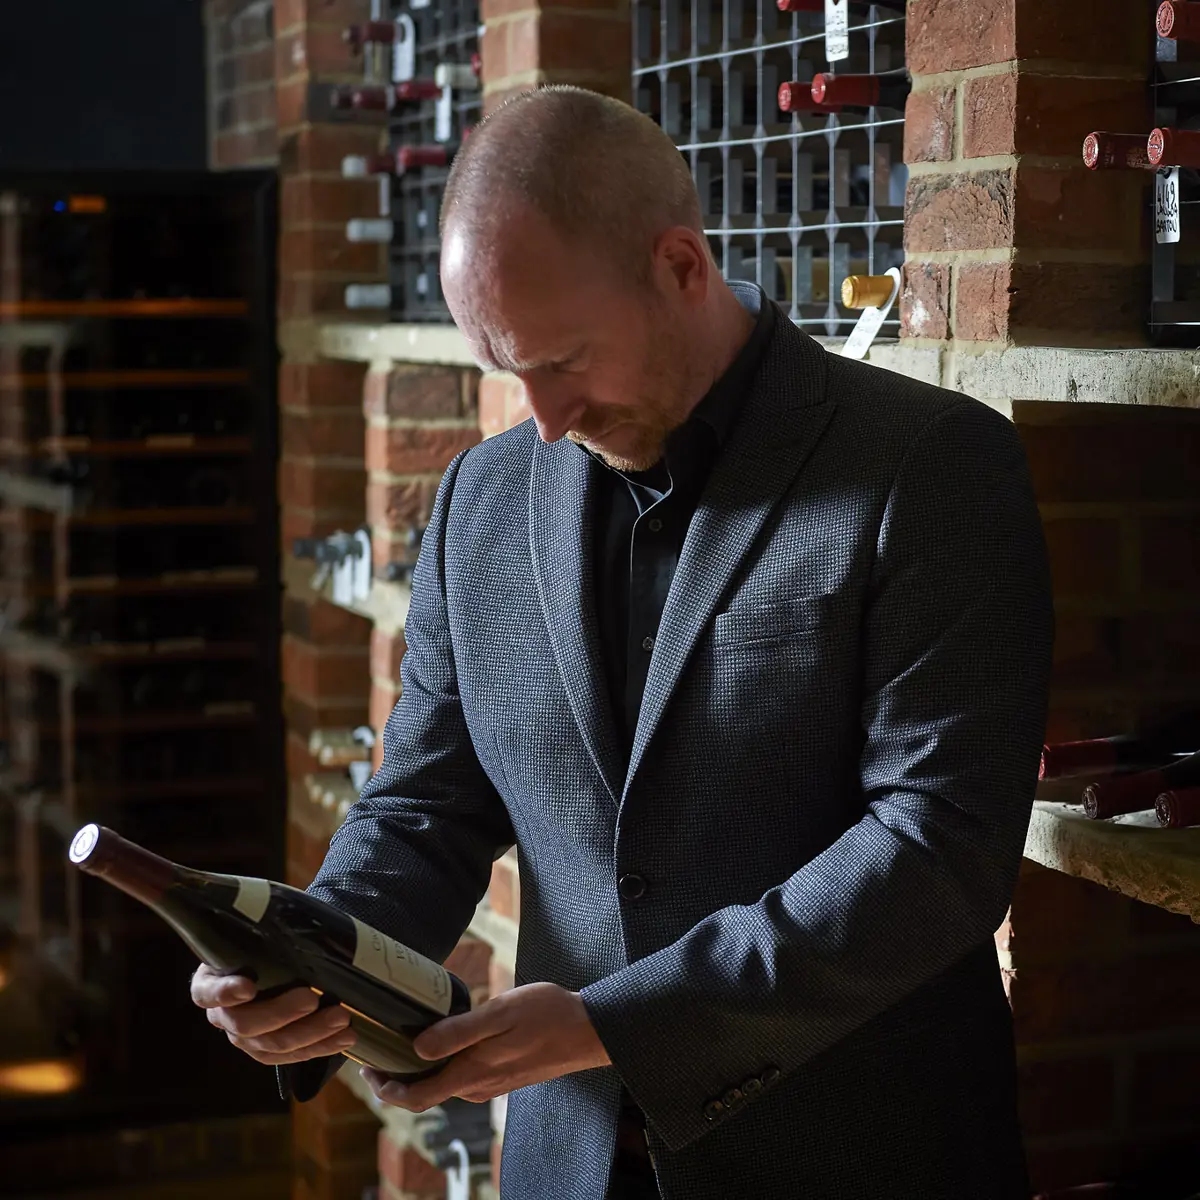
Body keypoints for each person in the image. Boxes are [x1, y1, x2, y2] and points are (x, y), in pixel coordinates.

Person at [191, 86, 1055, 1199]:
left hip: (855, 1152)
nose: (543, 419)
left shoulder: (928, 466)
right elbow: (427, 802)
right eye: (511, 369)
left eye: (562, 359)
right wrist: (316, 965)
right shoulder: (480, 499)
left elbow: (940, 849)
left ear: (682, 266)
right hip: (567, 1163)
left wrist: (619, 1025)